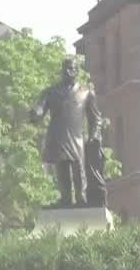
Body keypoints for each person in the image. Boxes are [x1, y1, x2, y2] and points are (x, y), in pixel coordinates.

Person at [30, 57, 101, 207]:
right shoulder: (50, 92)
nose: (68, 72)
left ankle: (81, 198)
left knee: (78, 169)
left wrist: (94, 135)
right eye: (65, 69)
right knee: (61, 169)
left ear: (77, 71)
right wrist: (36, 113)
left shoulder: (86, 93)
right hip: (57, 135)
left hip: (77, 137)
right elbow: (40, 109)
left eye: (71, 69)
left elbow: (96, 118)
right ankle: (65, 199)